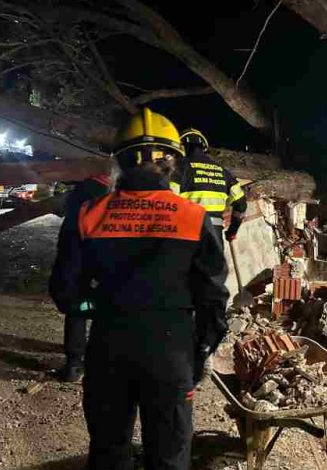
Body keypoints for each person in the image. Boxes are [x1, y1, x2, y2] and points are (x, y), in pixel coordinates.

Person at [49, 108, 229, 470]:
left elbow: (66, 293)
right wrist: (203, 348)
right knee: (169, 456)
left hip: (108, 346)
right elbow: (213, 297)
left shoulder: (88, 214)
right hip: (172, 350)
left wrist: (97, 307)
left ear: (120, 161)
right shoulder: (193, 218)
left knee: (109, 452)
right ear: (173, 163)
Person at [54, 174, 113, 382]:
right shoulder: (112, 201)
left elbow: (66, 242)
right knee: (106, 308)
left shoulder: (77, 202)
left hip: (75, 264)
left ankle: (74, 365)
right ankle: (102, 360)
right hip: (104, 264)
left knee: (76, 309)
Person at [172, 128, 247, 241]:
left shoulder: (178, 169)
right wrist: (232, 231)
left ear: (180, 147)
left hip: (187, 233)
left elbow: (167, 201)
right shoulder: (223, 172)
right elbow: (241, 204)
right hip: (214, 236)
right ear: (204, 148)